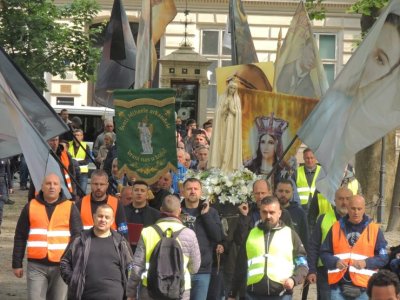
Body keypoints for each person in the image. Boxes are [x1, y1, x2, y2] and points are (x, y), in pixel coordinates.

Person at [12, 173, 82, 300]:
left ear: (60, 188)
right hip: (36, 265)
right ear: (41, 187)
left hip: (62, 266)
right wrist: (17, 263)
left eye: (55, 184)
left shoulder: (70, 207)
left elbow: (78, 236)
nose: (52, 187)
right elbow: (20, 236)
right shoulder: (30, 206)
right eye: (48, 183)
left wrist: (72, 261)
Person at [227, 196, 308, 300]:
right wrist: (232, 293)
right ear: (260, 212)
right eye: (264, 212)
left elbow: (303, 263)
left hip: (281, 295)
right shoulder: (250, 234)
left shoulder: (290, 234)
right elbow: (240, 266)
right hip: (252, 295)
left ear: (279, 213)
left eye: (272, 212)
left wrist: (294, 280)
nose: (268, 216)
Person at [126, 195, 201, 300]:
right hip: (180, 290)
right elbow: (195, 267)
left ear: (161, 210)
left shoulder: (147, 232)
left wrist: (131, 292)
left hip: (150, 288)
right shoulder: (189, 234)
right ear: (179, 211)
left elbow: (137, 266)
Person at [320, 195, 389, 300]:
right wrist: (335, 262)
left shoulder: (374, 229)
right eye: (353, 208)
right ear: (347, 208)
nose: (356, 212)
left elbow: (384, 257)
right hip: (338, 286)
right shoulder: (336, 227)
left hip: (364, 287)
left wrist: (366, 263)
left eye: (359, 209)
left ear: (364, 209)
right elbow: (324, 253)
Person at [60, 204, 134, 300]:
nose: (103, 220)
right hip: (85, 296)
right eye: (100, 216)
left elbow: (131, 268)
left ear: (112, 221)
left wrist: (130, 292)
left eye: (107, 217)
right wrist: (74, 281)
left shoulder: (121, 242)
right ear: (94, 217)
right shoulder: (80, 239)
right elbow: (64, 262)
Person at [306, 186, 353, 300]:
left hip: (351, 272)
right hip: (326, 272)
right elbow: (314, 246)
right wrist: (312, 270)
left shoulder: (360, 221)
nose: (344, 202)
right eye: (341, 199)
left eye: (347, 199)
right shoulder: (323, 219)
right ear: (334, 200)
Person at [181, 178, 223, 300]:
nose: (193, 191)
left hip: (203, 269)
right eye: (189, 189)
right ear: (183, 192)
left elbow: (217, 236)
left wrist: (206, 215)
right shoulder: (177, 211)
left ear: (201, 192)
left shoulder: (211, 212)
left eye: (196, 189)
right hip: (181, 269)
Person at [233, 179, 293, 247]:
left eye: (263, 193)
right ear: (253, 194)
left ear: (270, 193)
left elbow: (291, 239)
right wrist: (244, 217)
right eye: (257, 193)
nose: (260, 196)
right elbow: (239, 241)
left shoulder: (283, 213)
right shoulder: (248, 213)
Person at [75, 170, 128, 236]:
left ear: (107, 185)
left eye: (102, 184)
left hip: (110, 245)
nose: (99, 187)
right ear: (90, 184)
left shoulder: (117, 204)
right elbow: (75, 231)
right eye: (96, 184)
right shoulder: (80, 204)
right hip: (86, 244)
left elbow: (123, 232)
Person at [245, 114, 289, 187]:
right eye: (262, 142)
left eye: (270, 143)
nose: (266, 147)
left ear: (277, 146)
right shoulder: (250, 168)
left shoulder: (282, 172)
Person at [208, 81, 242, 173]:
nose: (232, 90)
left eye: (234, 88)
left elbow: (238, 114)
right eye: (231, 88)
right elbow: (218, 113)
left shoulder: (237, 99)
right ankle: (219, 165)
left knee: (230, 144)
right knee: (221, 143)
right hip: (222, 125)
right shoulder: (222, 98)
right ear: (228, 88)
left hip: (232, 125)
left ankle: (229, 167)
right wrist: (225, 107)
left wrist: (231, 108)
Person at [124, 181, 161, 252]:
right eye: (136, 190)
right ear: (132, 193)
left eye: (142, 191)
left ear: (147, 195)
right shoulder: (122, 211)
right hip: (125, 251)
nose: (139, 193)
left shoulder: (156, 215)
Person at [275, 179, 309, 251]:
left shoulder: (300, 213)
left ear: (292, 193)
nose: (283, 194)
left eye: (287, 192)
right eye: (281, 191)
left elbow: (305, 240)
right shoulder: (270, 211)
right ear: (275, 191)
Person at [294, 148, 330, 214]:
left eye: (312, 158)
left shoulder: (323, 172)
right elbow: (293, 192)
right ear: (303, 158)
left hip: (319, 208)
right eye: (307, 158)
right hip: (302, 209)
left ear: (316, 158)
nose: (310, 160)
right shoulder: (296, 173)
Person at [68, 129, 90, 196]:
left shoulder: (86, 146)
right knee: (72, 193)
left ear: (82, 136)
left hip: (82, 172)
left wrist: (75, 162)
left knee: (82, 192)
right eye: (75, 135)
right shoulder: (68, 145)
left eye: (78, 135)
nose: (76, 137)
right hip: (71, 172)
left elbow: (87, 160)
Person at [0, 158, 13, 232]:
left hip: (3, 184)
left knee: (0, 206)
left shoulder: (5, 157)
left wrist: (10, 186)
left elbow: (8, 172)